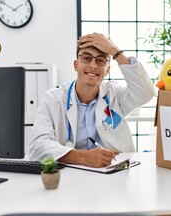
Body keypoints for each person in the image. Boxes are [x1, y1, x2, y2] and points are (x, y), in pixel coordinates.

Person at [28, 33, 155, 168]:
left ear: (107, 70)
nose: (93, 65)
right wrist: (83, 157)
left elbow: (145, 93)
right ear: (76, 65)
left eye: (100, 60)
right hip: (70, 175)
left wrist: (115, 52)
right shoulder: (53, 99)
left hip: (113, 172)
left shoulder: (114, 95)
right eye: (87, 58)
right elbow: (38, 146)